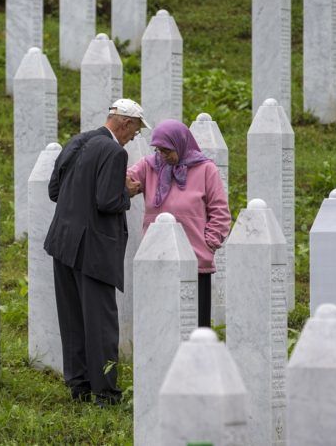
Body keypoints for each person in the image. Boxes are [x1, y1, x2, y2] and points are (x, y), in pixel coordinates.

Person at [44, 99, 149, 407]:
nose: (134, 137)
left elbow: (54, 191)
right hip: (94, 249)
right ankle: (105, 393)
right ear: (126, 123)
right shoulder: (116, 152)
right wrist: (127, 192)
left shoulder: (77, 141)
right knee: (101, 321)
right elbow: (107, 201)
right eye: (136, 130)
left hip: (62, 243)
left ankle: (79, 385)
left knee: (72, 317)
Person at [127, 119, 230, 328]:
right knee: (161, 326)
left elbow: (220, 211)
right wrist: (127, 185)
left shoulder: (205, 169)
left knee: (193, 324)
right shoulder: (150, 166)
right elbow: (124, 178)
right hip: (157, 256)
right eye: (159, 150)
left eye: (167, 151)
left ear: (180, 144)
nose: (163, 156)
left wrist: (208, 242)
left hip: (196, 258)